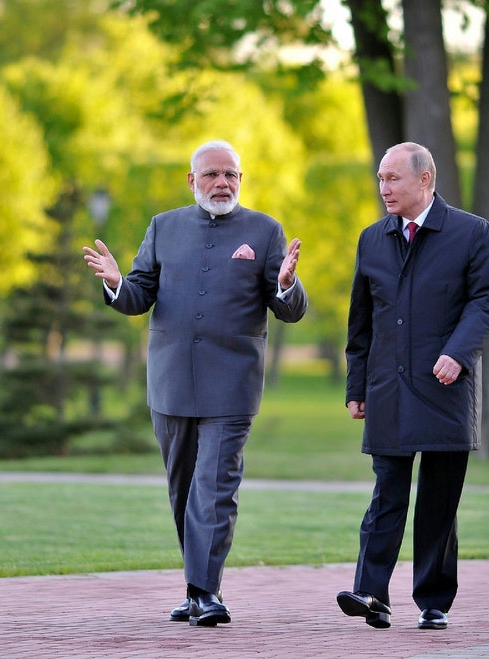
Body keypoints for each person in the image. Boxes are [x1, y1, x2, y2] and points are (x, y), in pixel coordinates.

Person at [82, 140, 307, 627]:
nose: (222, 183)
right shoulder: (163, 227)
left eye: (231, 175)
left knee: (215, 486)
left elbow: (288, 308)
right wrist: (117, 283)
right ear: (192, 180)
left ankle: (204, 592)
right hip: (171, 383)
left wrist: (288, 284)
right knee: (183, 491)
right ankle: (200, 585)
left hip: (232, 385)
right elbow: (138, 295)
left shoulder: (265, 231)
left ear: (241, 180)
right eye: (211, 175)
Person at [336, 142, 489, 631]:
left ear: (425, 179)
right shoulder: (372, 239)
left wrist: (458, 351)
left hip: (446, 388)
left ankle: (434, 601)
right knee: (387, 493)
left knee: (437, 500)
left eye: (393, 179)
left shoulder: (472, 233)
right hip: (387, 387)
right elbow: (361, 321)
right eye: (380, 179)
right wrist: (357, 385)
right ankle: (371, 593)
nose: (384, 189)